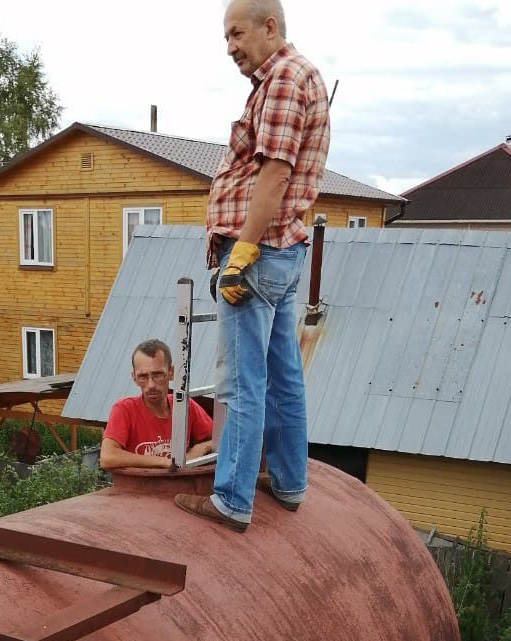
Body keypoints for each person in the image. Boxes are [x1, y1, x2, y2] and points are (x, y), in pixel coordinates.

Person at [175, 0, 330, 532]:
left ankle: (232, 499)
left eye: (237, 33)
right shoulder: (295, 76)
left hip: (260, 254)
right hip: (284, 250)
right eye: (226, 38)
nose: (231, 47)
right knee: (283, 375)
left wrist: (239, 253)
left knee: (241, 382)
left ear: (270, 27)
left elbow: (274, 177)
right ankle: (289, 484)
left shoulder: (284, 79)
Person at [100, 339, 214, 471]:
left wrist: (201, 448)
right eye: (143, 376)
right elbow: (107, 457)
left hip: (179, 487)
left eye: (158, 375)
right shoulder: (124, 409)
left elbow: (221, 439)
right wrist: (164, 462)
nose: (151, 385)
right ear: (134, 377)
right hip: (136, 488)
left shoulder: (185, 407)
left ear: (171, 373)